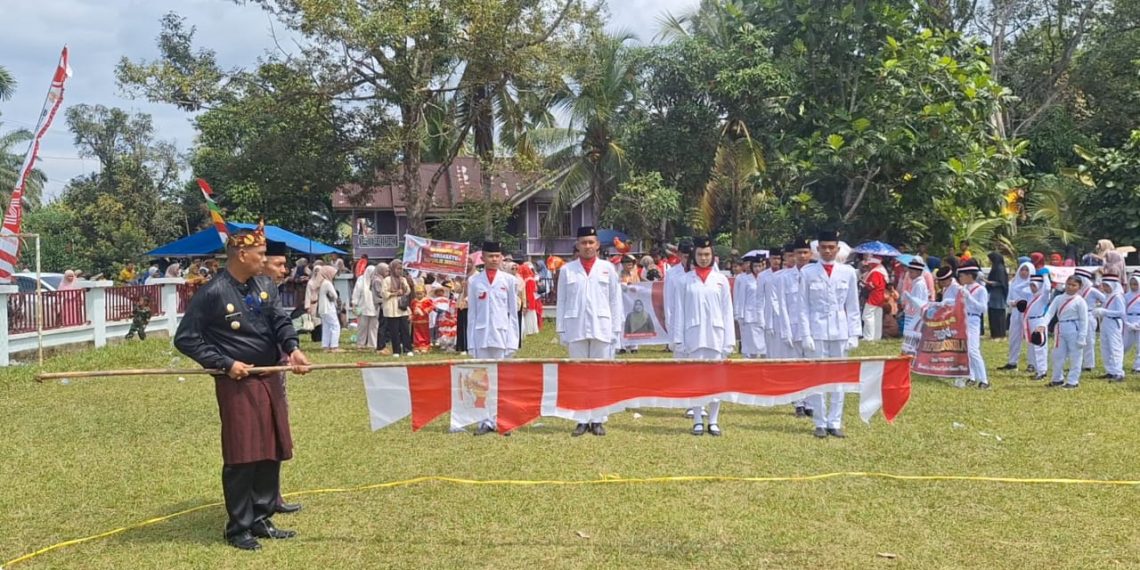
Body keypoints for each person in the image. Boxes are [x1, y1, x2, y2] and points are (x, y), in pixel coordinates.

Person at [173, 226, 311, 551]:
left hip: (270, 375)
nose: (265, 259)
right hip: (238, 382)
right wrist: (224, 363)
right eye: (260, 254)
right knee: (243, 452)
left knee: (270, 449)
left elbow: (280, 321)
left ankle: (262, 517)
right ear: (241, 254)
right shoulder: (213, 292)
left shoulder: (264, 285)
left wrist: (292, 348)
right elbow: (186, 338)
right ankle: (238, 527)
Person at [556, 227, 623, 437]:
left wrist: (616, 329)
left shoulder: (607, 268)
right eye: (583, 242)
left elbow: (615, 300)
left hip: (602, 326)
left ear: (598, 245)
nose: (587, 246)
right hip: (575, 326)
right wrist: (560, 329)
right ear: (577, 245)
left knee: (600, 374)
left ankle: (598, 419)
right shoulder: (567, 270)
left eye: (591, 242)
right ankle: (581, 419)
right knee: (578, 374)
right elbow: (561, 301)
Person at [670, 237, 735, 436]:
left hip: (716, 336)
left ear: (712, 256)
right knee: (695, 379)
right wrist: (678, 339)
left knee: (716, 380)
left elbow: (727, 311)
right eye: (699, 254)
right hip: (693, 335)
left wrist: (729, 341)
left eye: (707, 254)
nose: (704, 258)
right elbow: (679, 311)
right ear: (694, 256)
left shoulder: (721, 280)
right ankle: (698, 419)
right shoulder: (684, 280)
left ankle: (713, 420)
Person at [799, 230, 861, 438]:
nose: (827, 251)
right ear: (817, 249)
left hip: (840, 330)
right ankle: (820, 421)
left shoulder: (847, 272)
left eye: (831, 247)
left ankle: (835, 421)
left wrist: (854, 334)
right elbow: (803, 307)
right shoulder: (807, 272)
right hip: (816, 330)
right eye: (823, 247)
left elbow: (852, 306)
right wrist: (805, 334)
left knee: (839, 378)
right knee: (818, 378)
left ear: (837, 249)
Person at [260, 239, 302, 515]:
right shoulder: (245, 292)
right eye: (279, 264)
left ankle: (273, 495)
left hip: (277, 369)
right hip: (255, 372)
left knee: (277, 431)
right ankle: (263, 498)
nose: (284, 270)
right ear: (260, 262)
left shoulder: (271, 291)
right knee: (260, 435)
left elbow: (281, 325)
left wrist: (291, 350)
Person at [467, 241, 520, 435]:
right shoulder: (474, 281)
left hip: (502, 335)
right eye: (490, 256)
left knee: (501, 379)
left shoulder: (509, 280)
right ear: (482, 257)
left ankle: (501, 420)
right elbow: (472, 315)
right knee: (482, 379)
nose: (494, 259)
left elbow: (513, 313)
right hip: (481, 335)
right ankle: (485, 421)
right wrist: (470, 343)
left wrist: (513, 340)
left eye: (497, 256)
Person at [773, 241, 814, 417]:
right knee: (796, 366)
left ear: (811, 254)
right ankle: (798, 402)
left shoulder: (816, 274)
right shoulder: (784, 277)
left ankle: (811, 402)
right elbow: (782, 305)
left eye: (805, 252)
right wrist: (785, 330)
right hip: (793, 326)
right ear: (793, 255)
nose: (802, 256)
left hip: (813, 327)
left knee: (812, 365)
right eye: (798, 253)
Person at [1036, 275, 1089, 389]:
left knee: (1075, 356)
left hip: (1074, 328)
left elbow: (1084, 320)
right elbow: (1050, 312)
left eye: (1074, 285)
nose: (1070, 287)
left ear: (1079, 287)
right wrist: (1043, 325)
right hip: (1060, 328)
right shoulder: (1058, 298)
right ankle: (1057, 379)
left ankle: (1073, 381)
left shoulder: (1080, 301)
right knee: (1057, 355)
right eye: (1068, 284)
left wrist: (1082, 337)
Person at [958, 260, 990, 389]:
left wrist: (969, 298)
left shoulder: (981, 289)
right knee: (966, 349)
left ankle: (984, 379)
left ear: (970, 276)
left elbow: (983, 309)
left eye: (962, 275)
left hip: (973, 319)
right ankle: (971, 376)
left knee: (973, 349)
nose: (960, 278)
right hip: (963, 318)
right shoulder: (964, 288)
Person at [1002, 261, 1035, 371]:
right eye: (1022, 270)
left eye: (1027, 270)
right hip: (1016, 313)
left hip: (1029, 313)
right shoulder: (1013, 283)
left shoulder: (1034, 285)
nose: (1024, 272)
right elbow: (1008, 300)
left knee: (1031, 338)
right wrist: (1013, 303)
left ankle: (1032, 363)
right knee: (1014, 337)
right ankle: (1012, 362)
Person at [733, 252, 766, 358]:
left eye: (759, 266)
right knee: (751, 343)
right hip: (749, 315)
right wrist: (739, 315)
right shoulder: (746, 280)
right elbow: (741, 298)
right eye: (755, 266)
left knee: (764, 344)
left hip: (763, 314)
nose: (757, 269)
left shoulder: (765, 278)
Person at [1095, 274, 1126, 382]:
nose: (1105, 288)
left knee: (1115, 347)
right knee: (1105, 347)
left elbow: (1121, 312)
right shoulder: (1108, 296)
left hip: (1114, 322)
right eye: (1104, 285)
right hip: (1106, 322)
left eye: (1107, 286)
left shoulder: (1117, 296)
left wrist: (1105, 312)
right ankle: (1110, 371)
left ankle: (1118, 372)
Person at [381, 259, 414, 357]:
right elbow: (383, 293)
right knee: (394, 331)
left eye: (401, 269)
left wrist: (404, 288)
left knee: (405, 329)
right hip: (391, 307)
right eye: (397, 269)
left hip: (401, 307)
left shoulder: (403, 279)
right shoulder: (387, 280)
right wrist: (394, 293)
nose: (399, 271)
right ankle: (396, 351)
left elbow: (408, 291)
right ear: (392, 269)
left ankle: (407, 349)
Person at [1075, 268, 1105, 371]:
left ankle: (1088, 364)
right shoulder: (1075, 290)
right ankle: (1077, 363)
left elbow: (1105, 299)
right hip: (1076, 316)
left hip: (1089, 315)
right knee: (1076, 340)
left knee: (1089, 341)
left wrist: (1098, 309)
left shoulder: (1092, 290)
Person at [1023, 275, 1050, 381]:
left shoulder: (1043, 297)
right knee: (1032, 347)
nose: (1032, 288)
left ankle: (1042, 371)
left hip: (1039, 321)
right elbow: (1018, 288)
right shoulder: (1031, 296)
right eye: (1031, 285)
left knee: (1040, 347)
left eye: (1034, 285)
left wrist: (1045, 276)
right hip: (1030, 322)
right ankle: (1037, 368)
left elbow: (1047, 288)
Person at [900, 257, 929, 355]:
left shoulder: (919, 284)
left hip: (916, 316)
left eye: (911, 272)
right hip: (913, 315)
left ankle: (912, 356)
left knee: (913, 338)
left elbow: (918, 303)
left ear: (918, 272)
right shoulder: (916, 283)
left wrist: (908, 297)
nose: (909, 274)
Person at [351, 265, 380, 349]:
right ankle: (361, 344)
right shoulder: (361, 280)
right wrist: (354, 304)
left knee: (374, 327)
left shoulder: (377, 280)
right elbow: (356, 293)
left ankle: (372, 344)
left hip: (374, 307)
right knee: (362, 327)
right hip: (363, 307)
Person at [861, 256, 888, 341]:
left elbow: (873, 284)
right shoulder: (881, 271)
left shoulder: (875, 272)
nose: (868, 266)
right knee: (877, 317)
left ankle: (868, 336)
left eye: (869, 264)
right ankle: (876, 336)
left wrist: (864, 284)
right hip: (880, 297)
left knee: (867, 315)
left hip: (874, 296)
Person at [316, 265, 342, 353]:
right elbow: (335, 295)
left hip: (322, 308)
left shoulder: (321, 282)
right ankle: (334, 346)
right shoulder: (327, 283)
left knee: (326, 327)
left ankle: (325, 346)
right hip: (328, 307)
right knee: (335, 326)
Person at [985, 252, 1009, 338]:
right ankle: (994, 333)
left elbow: (1001, 282)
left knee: (998, 314)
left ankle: (1000, 333)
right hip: (993, 294)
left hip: (998, 294)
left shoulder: (1000, 268)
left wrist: (990, 283)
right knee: (993, 313)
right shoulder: (995, 267)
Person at [1124, 275, 1140, 374]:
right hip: (1128, 320)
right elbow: (1123, 310)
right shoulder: (1126, 296)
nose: (1133, 286)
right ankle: (1116, 363)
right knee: (1125, 344)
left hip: (1139, 319)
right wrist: (1126, 322)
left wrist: (1138, 323)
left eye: (1135, 284)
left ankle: (1138, 367)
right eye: (1131, 284)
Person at [411, 285, 433, 353]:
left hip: (424, 320)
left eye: (420, 294)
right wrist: (413, 313)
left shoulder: (427, 300)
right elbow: (412, 308)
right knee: (416, 333)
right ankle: (417, 345)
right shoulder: (414, 301)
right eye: (417, 294)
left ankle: (425, 345)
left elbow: (431, 307)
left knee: (424, 333)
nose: (419, 295)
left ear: (424, 293)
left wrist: (424, 311)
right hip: (416, 320)